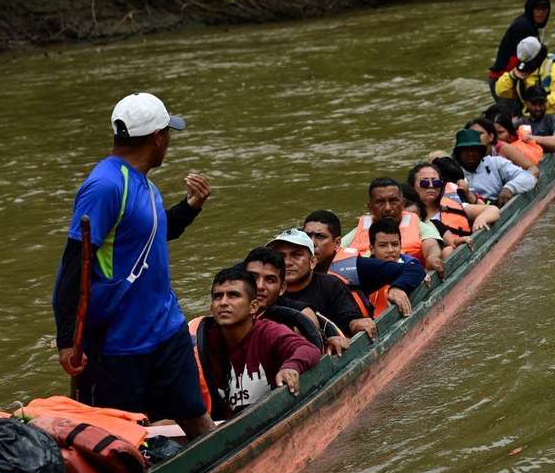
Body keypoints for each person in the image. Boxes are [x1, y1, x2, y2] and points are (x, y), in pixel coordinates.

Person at [52, 92, 214, 439]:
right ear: (158, 138)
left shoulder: (144, 184)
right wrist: (66, 341)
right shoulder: (106, 186)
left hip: (166, 331)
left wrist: (190, 206)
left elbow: (152, 235)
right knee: (120, 439)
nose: (168, 143)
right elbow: (72, 268)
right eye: (168, 135)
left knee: (198, 422)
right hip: (118, 344)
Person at [192, 268, 322, 419]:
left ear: (253, 307)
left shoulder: (269, 331)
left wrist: (290, 367)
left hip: (270, 418)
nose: (223, 303)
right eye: (217, 297)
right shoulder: (202, 342)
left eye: (233, 295)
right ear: (211, 307)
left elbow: (308, 349)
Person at [303, 210, 426, 317]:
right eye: (307, 236)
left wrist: (398, 288)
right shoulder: (290, 268)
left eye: (320, 236)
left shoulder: (355, 266)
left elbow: (414, 269)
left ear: (337, 243)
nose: (311, 242)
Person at [267, 228, 377, 340]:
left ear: (312, 262)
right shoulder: (266, 291)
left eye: (296, 255)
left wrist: (357, 324)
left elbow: (351, 319)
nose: (287, 262)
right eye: (281, 256)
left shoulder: (330, 284)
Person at [242, 247, 348, 355]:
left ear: (282, 288)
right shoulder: (226, 308)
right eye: (253, 278)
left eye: (270, 280)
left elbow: (309, 357)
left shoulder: (301, 316)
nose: (260, 286)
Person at [340, 178, 444, 277]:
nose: (388, 208)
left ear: (402, 203)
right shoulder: (360, 228)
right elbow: (336, 251)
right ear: (370, 207)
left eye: (393, 201)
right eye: (380, 202)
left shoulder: (417, 224)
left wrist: (432, 257)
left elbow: (431, 245)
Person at [407, 163, 500, 258]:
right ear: (412, 186)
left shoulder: (453, 205)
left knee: (448, 250)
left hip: (460, 253)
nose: (431, 186)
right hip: (423, 263)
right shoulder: (406, 216)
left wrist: (481, 219)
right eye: (424, 183)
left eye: (436, 182)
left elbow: (493, 209)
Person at [489, 0, 551, 109]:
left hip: (509, 80)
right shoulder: (523, 26)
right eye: (537, 9)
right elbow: (527, 61)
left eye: (544, 9)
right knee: (516, 119)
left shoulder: (531, 25)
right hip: (504, 81)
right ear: (530, 9)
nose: (541, 13)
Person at [494, 36, 555, 120]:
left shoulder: (553, 67)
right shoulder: (520, 71)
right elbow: (501, 92)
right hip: (531, 119)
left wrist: (533, 108)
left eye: (529, 63)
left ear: (538, 57)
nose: (527, 67)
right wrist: (512, 76)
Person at [452, 128, 537, 207]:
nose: (470, 154)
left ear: (480, 151)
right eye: (466, 150)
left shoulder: (496, 163)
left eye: (474, 149)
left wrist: (510, 188)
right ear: (458, 153)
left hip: (498, 207)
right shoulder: (453, 173)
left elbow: (528, 177)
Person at [366, 218, 426, 315]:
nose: (390, 250)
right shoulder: (363, 269)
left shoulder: (411, 264)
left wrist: (397, 288)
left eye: (395, 244)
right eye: (383, 245)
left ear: (400, 245)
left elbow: (417, 269)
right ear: (372, 249)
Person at [467, 117, 539, 173]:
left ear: (491, 137)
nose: (475, 137)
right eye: (471, 135)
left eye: (479, 134)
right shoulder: (467, 156)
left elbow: (532, 168)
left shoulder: (503, 148)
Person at [517, 85, 555, 152]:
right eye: (534, 104)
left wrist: (531, 138)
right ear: (526, 104)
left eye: (541, 104)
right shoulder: (520, 123)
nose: (538, 108)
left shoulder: (554, 120)